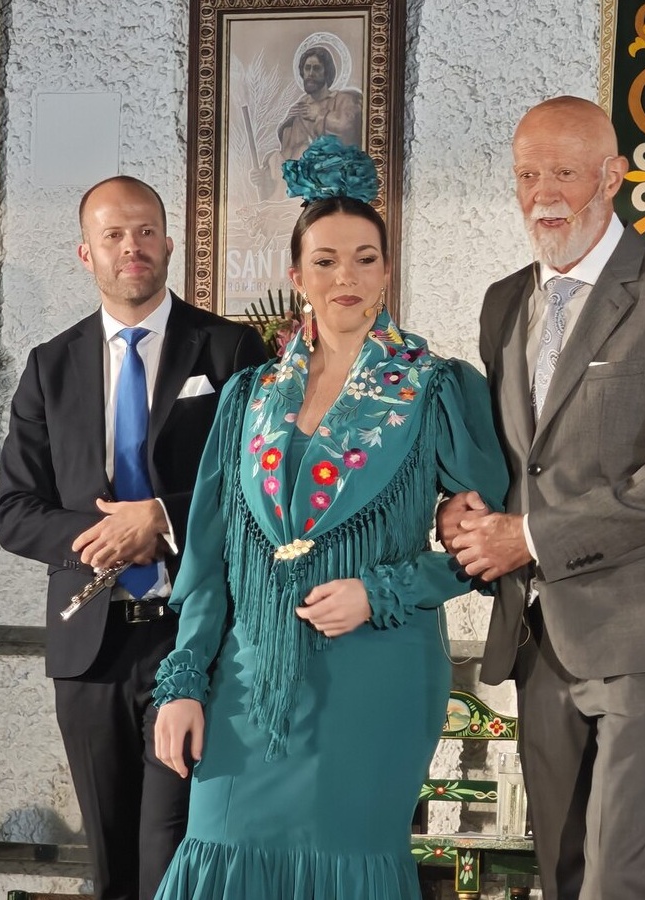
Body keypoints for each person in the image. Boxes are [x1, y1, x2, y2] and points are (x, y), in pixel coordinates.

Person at [149, 135, 510, 898]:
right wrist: (182, 682)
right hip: (246, 678)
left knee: (345, 864)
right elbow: (208, 559)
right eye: (325, 260)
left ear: (387, 269)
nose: (345, 276)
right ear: (295, 276)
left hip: (378, 670)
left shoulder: (436, 387)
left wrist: (378, 593)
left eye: (365, 258)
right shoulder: (247, 396)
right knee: (217, 846)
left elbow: (488, 547)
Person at [439, 96, 645, 900]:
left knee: (619, 877)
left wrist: (529, 538)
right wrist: (459, 509)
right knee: (562, 875)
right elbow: (514, 460)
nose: (542, 193)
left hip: (643, 629)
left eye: (564, 173)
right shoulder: (504, 300)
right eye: (527, 174)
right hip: (539, 636)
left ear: (612, 177)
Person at [0, 176, 269, 900]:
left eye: (145, 231)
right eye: (113, 235)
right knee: (112, 867)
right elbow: (14, 509)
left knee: (174, 860)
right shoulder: (50, 367)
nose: (131, 247)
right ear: (86, 253)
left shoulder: (232, 349)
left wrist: (164, 519)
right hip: (90, 653)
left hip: (199, 641)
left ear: (170, 242)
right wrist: (105, 535)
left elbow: (259, 487)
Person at [251, 44, 363, 202]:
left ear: (327, 72)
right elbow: (284, 159)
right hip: (292, 194)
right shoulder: (297, 110)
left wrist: (320, 114)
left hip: (322, 186)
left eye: (317, 68)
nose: (310, 73)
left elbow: (349, 130)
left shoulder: (343, 99)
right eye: (307, 68)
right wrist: (265, 179)